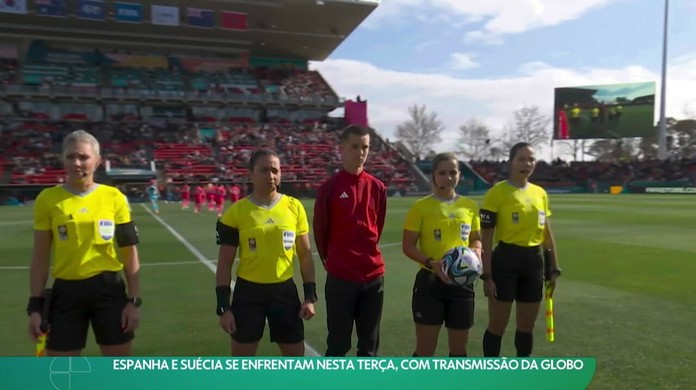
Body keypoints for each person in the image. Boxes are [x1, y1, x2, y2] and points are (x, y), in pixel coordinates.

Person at [27, 130, 141, 356]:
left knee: (117, 373)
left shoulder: (115, 197)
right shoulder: (47, 199)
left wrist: (133, 302)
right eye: (70, 157)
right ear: (62, 159)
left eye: (83, 157)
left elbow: (130, 254)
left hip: (109, 293)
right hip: (65, 294)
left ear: (97, 161)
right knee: (62, 375)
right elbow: (40, 258)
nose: (76, 163)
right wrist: (35, 307)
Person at [215, 149, 316, 356]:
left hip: (285, 293)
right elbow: (224, 264)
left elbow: (305, 254)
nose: (270, 175)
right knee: (242, 365)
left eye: (275, 170)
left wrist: (309, 297)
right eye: (263, 170)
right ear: (250, 174)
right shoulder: (236, 212)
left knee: (295, 363)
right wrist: (224, 307)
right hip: (248, 294)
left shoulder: (294, 207)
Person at [479, 142, 561, 357]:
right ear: (511, 162)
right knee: (497, 326)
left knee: (526, 327)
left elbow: (546, 234)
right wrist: (486, 276)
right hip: (505, 261)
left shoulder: (540, 193)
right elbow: (485, 240)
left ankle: (521, 375)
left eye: (531, 159)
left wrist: (553, 268)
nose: (527, 164)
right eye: (521, 159)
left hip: (533, 263)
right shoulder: (497, 192)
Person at [313, 125, 387, 357]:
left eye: (365, 147)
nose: (361, 152)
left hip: (373, 277)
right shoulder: (330, 187)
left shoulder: (377, 187)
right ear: (342, 148)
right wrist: (334, 260)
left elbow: (378, 226)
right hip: (341, 278)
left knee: (369, 346)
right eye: (355, 146)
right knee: (338, 344)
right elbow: (320, 231)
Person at [402, 153, 481, 357]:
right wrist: (432, 263)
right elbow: (408, 246)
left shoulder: (469, 207)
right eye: (442, 173)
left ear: (459, 175)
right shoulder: (421, 207)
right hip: (430, 284)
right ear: (433, 176)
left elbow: (476, 239)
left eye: (453, 172)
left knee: (459, 352)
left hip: (462, 285)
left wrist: (477, 251)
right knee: (424, 352)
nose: (448, 177)